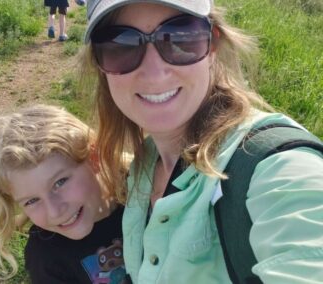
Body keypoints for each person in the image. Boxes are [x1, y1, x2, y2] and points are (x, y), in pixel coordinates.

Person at [80, 0, 323, 283]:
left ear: (212, 46)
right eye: (121, 46)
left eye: (181, 37)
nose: (155, 74)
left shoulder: (276, 170)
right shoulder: (144, 163)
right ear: (100, 64)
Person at [0, 104, 131, 283]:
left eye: (59, 183)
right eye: (32, 201)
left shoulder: (145, 192)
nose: (55, 212)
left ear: (94, 159)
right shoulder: (45, 256)